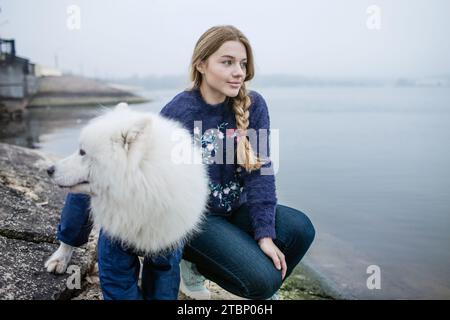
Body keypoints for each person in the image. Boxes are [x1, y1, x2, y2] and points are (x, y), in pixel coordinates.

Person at [55, 25, 315, 300]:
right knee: (261, 282)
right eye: (227, 62)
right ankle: (193, 268)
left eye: (242, 63)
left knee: (300, 229)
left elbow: (260, 174)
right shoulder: (178, 113)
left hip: (234, 208)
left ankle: (221, 271)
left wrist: (264, 234)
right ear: (201, 64)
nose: (239, 72)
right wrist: (74, 239)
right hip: (197, 220)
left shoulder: (254, 105)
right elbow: (129, 173)